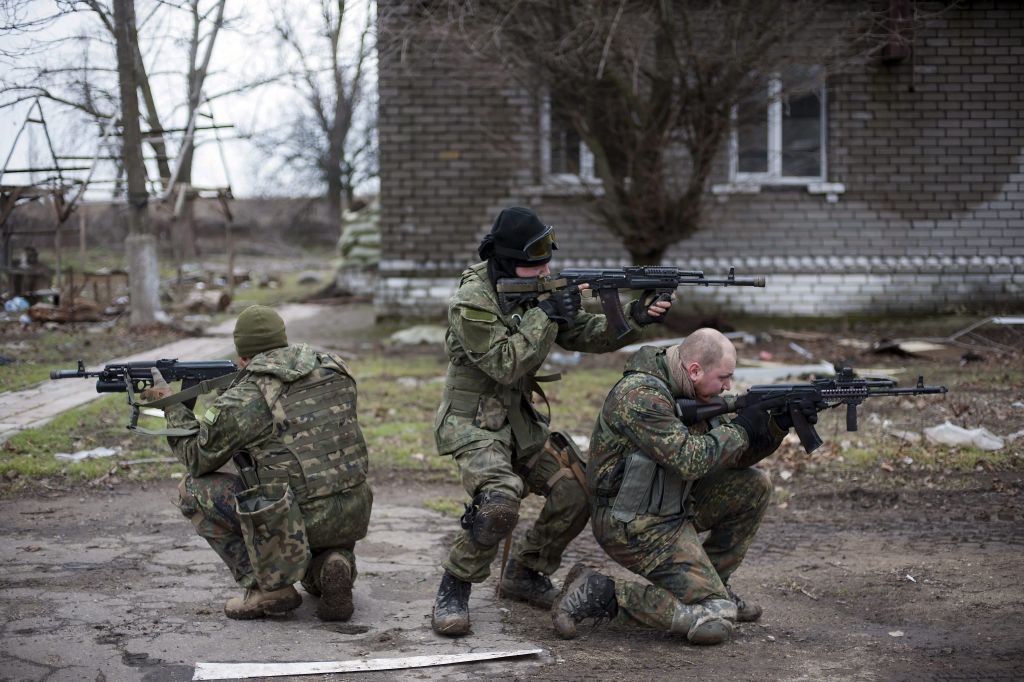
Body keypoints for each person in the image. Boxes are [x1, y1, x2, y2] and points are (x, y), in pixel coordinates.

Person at [430, 206, 672, 637]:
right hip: (473, 422)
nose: (546, 268)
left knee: (577, 488)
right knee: (500, 501)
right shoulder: (473, 302)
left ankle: (525, 571)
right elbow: (505, 364)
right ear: (505, 260)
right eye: (535, 260)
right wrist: (547, 313)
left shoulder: (536, 287)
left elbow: (582, 334)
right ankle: (455, 586)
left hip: (518, 419)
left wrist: (635, 318)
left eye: (548, 258)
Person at [552, 328, 818, 645]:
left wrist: (774, 426)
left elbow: (733, 457)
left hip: (673, 504)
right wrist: (743, 428)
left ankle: (713, 585)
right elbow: (687, 460)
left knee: (753, 486)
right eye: (724, 377)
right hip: (632, 522)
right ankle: (599, 592)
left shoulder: (693, 390)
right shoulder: (641, 396)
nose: (728, 387)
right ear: (694, 370)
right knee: (715, 620)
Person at [142, 305, 373, 621]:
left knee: (192, 490)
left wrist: (169, 405)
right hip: (350, 511)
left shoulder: (247, 397)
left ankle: (266, 588)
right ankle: (333, 563)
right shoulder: (334, 367)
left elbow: (196, 458)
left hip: (293, 519)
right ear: (282, 340)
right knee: (308, 489)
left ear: (242, 357)